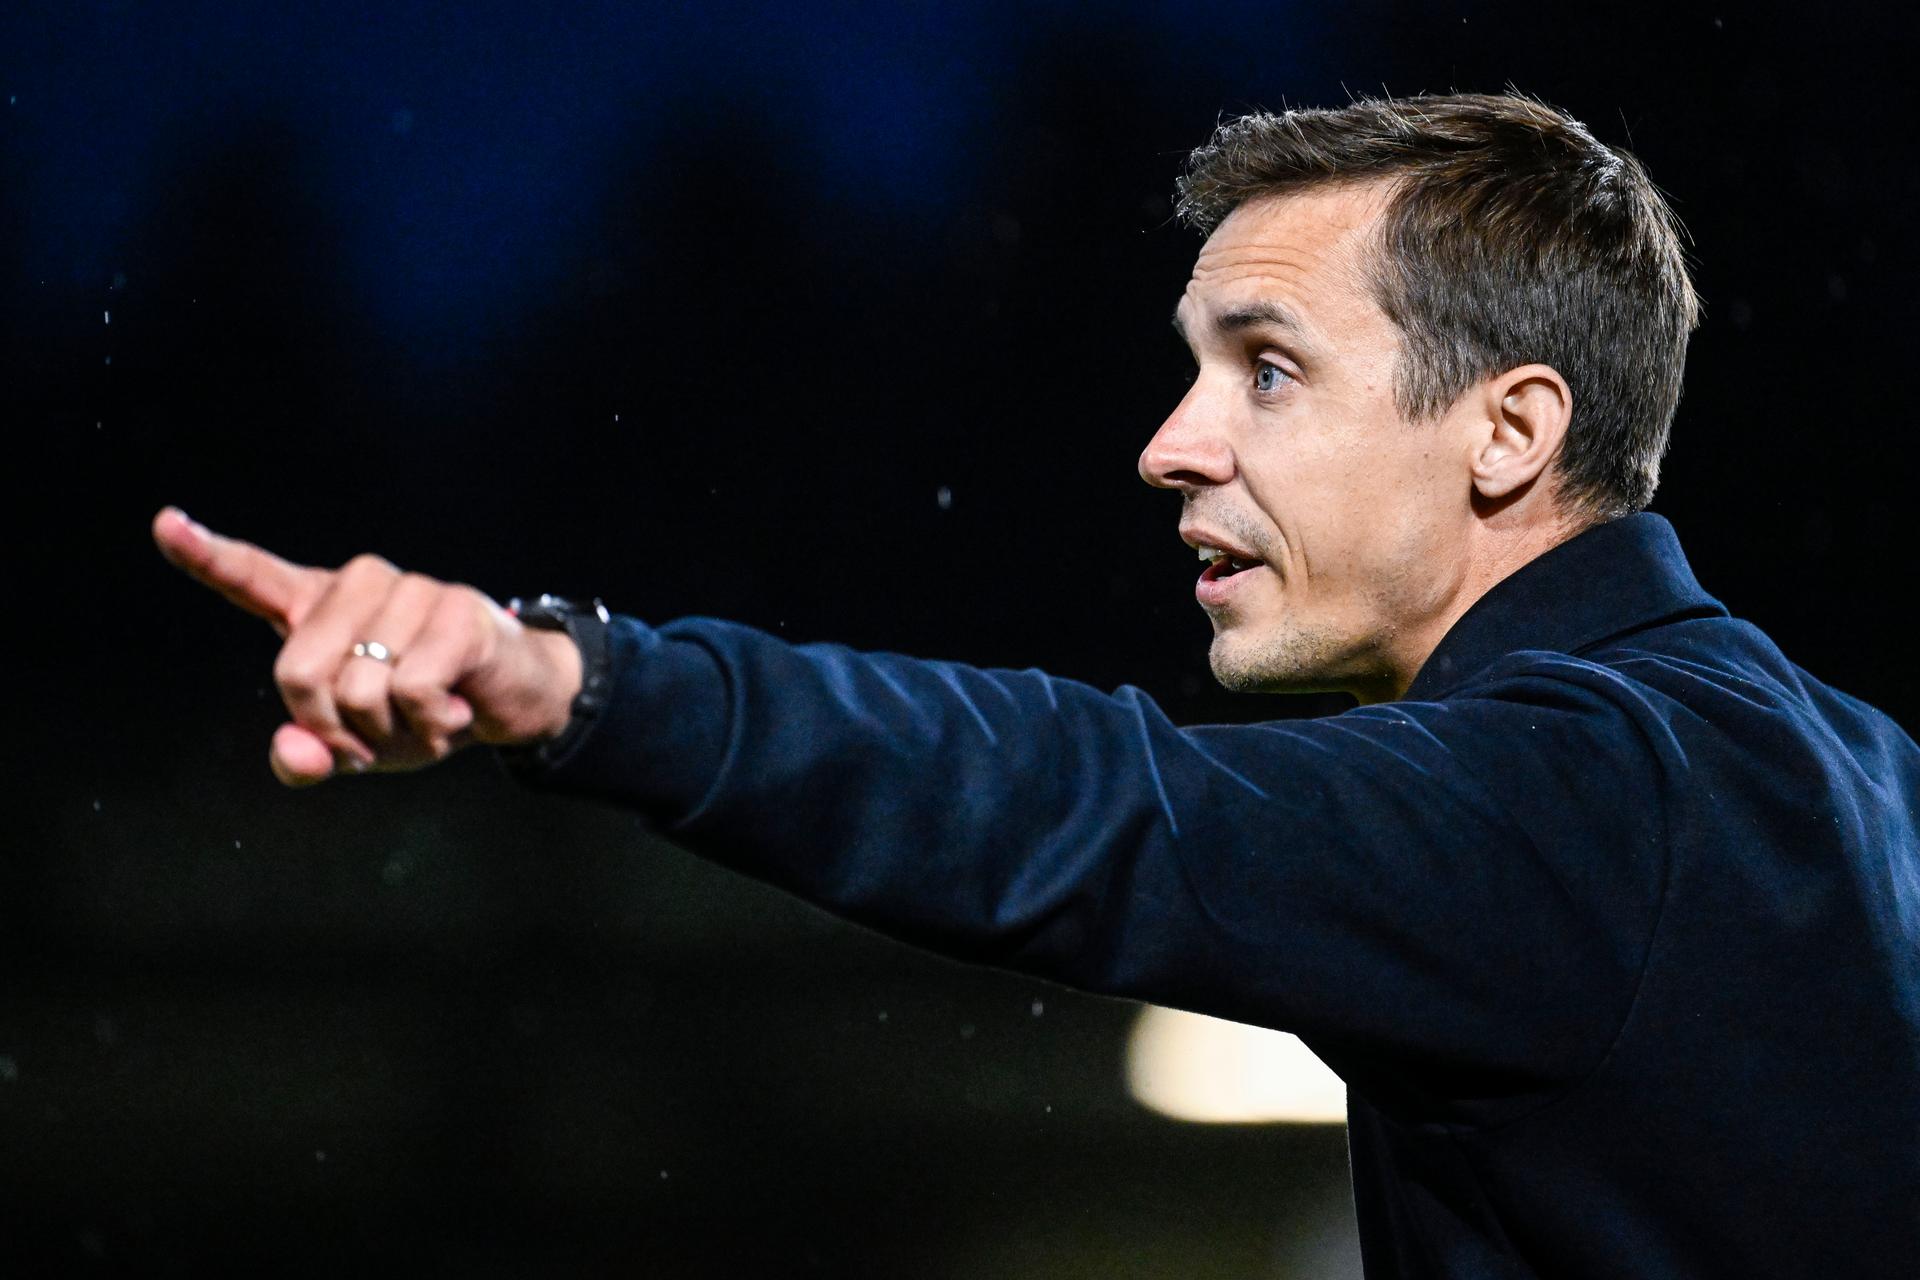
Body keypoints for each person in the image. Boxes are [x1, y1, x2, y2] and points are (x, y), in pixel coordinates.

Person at [152, 93, 1920, 1277]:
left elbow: (1096, 799)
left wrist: (575, 683)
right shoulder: (1853, 770)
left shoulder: (1580, 803)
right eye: (1191, 370)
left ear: (1511, 430)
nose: (1170, 446)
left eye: (1269, 370)